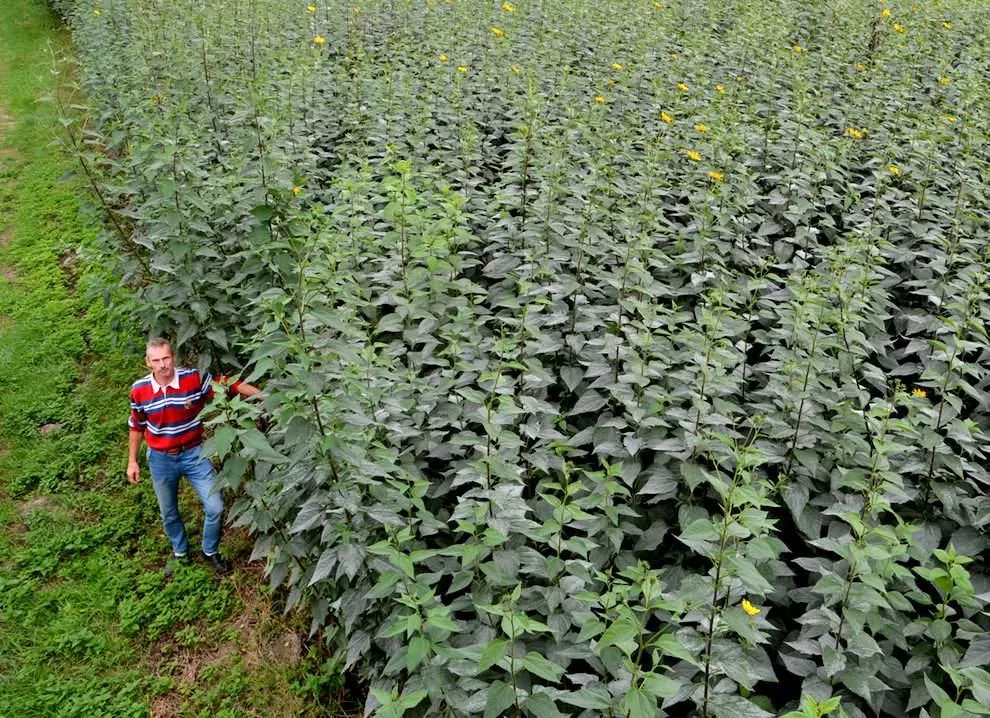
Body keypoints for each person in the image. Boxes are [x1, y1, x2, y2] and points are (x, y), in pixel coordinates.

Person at [126, 337, 260, 575]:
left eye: (166, 358)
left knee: (215, 506)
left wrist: (261, 396)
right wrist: (132, 461)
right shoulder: (140, 390)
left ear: (173, 358)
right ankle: (180, 552)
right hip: (160, 458)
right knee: (168, 511)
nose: (163, 364)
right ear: (148, 363)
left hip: (194, 453)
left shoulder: (192, 378)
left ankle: (210, 551)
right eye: (156, 360)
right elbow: (136, 426)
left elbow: (226, 384)